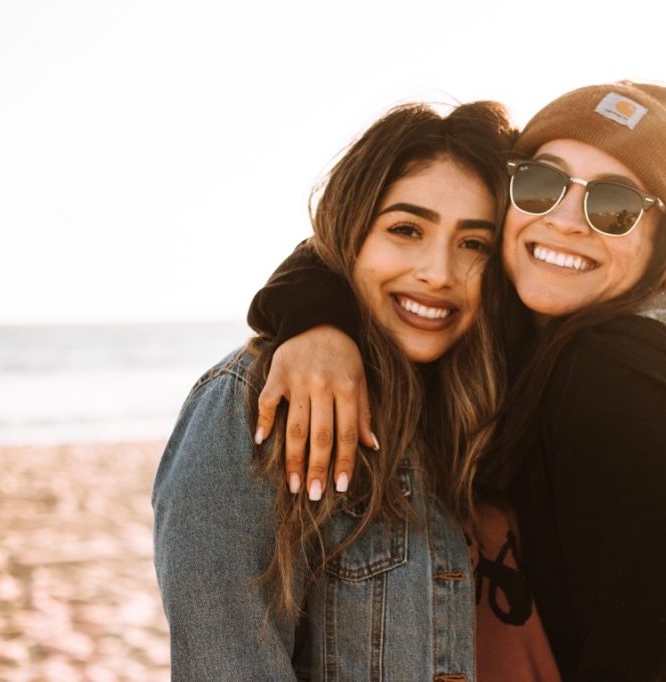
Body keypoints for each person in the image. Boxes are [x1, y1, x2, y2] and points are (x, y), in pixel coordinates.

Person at [246, 81, 666, 680]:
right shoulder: (527, 323)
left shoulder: (631, 380)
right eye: (540, 184)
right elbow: (361, 231)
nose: (565, 222)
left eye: (614, 206)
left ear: (664, 244)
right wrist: (318, 323)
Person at [152, 100, 562, 680]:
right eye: (405, 230)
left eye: (474, 244)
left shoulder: (489, 399)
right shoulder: (254, 403)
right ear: (351, 233)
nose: (439, 272)